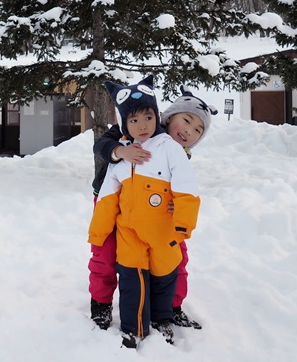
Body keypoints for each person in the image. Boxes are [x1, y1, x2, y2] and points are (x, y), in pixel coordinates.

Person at [88, 85, 216, 333]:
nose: (189, 131)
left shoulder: (177, 152)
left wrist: (174, 203)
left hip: (160, 216)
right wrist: (119, 151)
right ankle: (100, 303)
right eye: (186, 121)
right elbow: (101, 145)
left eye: (197, 130)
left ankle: (172, 306)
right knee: (105, 253)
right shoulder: (132, 124)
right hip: (112, 200)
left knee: (177, 257)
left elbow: (181, 184)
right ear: (167, 117)